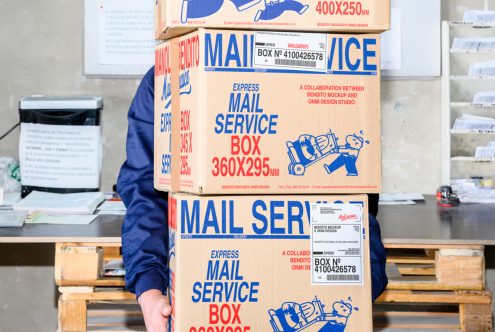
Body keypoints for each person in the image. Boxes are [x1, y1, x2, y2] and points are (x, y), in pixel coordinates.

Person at [117, 67, 388, 331]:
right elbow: (146, 189)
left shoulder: (338, 72)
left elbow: (357, 197)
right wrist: (149, 289)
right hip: (208, 285)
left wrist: (360, 284)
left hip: (317, 276)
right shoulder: (171, 76)